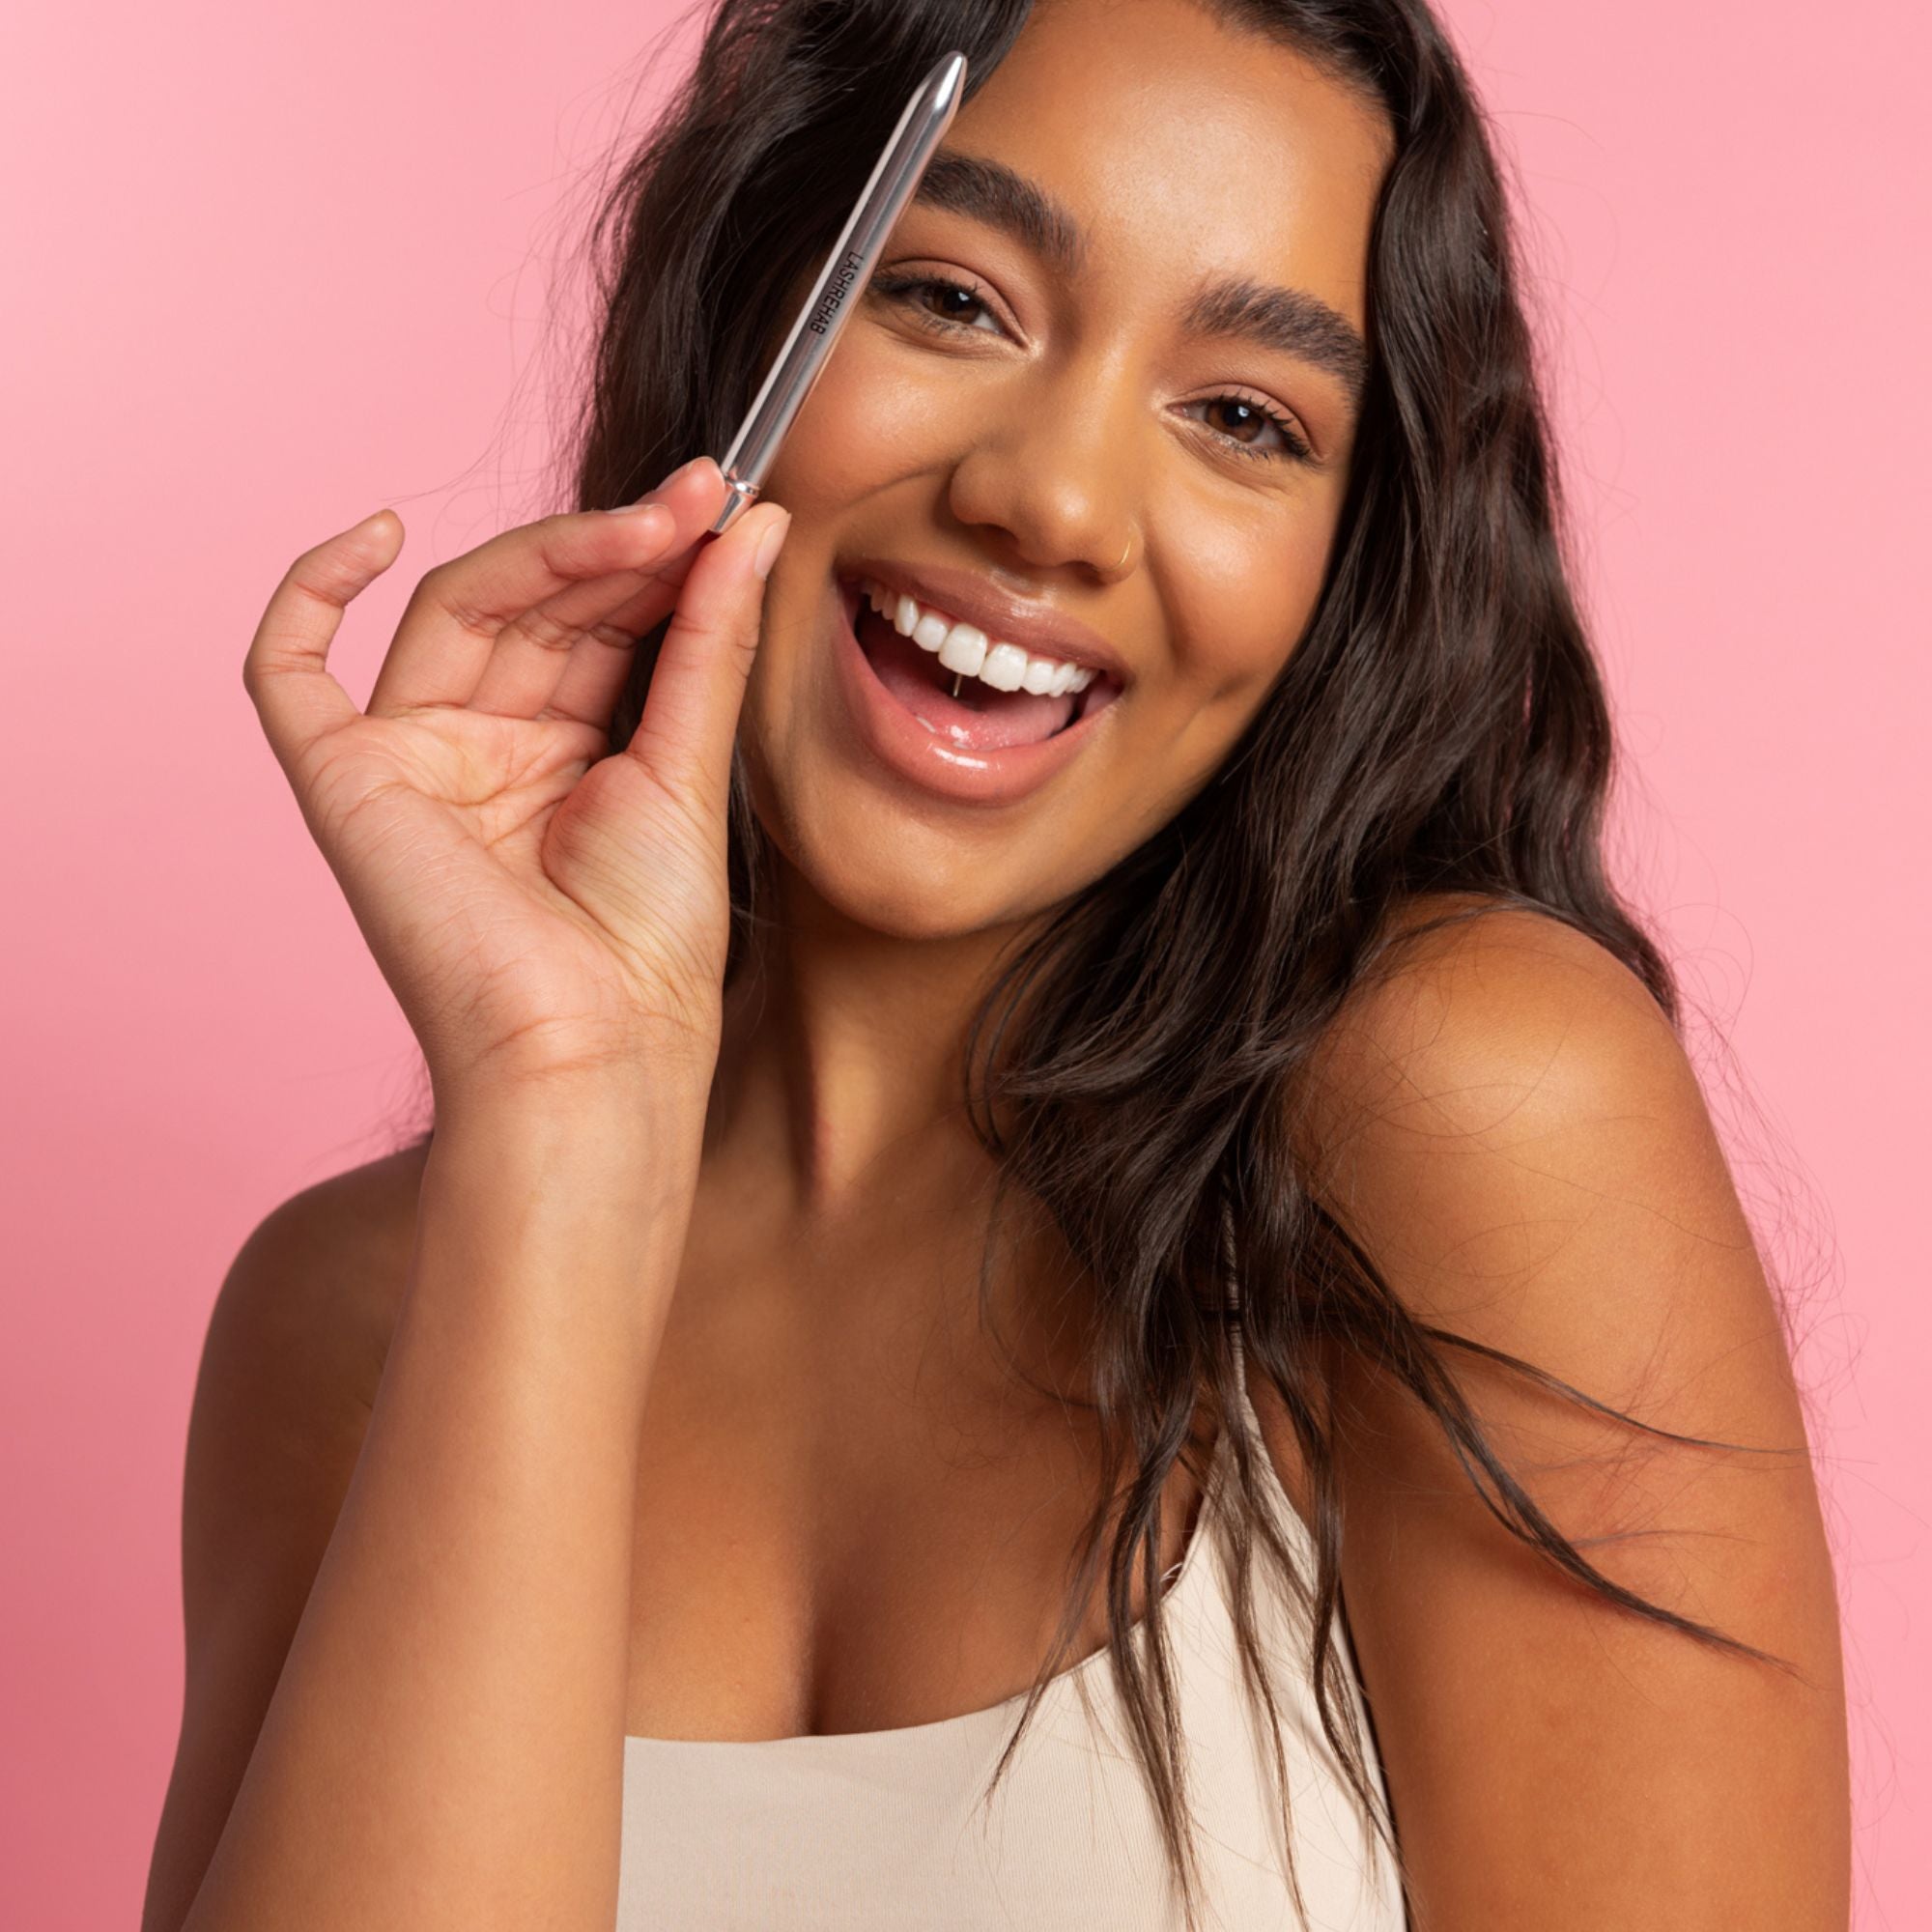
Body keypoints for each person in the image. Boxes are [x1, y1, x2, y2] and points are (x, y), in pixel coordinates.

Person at [141, 0, 1851, 1926]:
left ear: (1336, 575)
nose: (1048, 499)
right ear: (747, 323)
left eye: (1241, 418)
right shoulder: (344, 1320)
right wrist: (554, 1114)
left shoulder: (1458, 1104)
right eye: (954, 301)